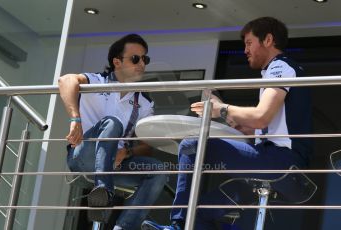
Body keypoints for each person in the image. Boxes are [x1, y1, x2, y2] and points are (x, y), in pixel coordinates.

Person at [141, 17, 312, 230]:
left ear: (268, 40)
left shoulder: (280, 67)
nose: (245, 50)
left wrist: (221, 109)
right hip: (278, 166)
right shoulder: (276, 70)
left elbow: (261, 117)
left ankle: (177, 225)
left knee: (190, 145)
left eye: (249, 43)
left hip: (279, 163)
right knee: (202, 213)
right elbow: (256, 127)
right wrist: (222, 111)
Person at [59, 34, 167, 230]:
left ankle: (124, 227)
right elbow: (65, 80)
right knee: (112, 123)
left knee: (158, 170)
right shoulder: (96, 81)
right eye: (136, 58)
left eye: (145, 59)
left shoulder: (144, 102)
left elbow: (146, 146)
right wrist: (75, 119)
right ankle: (103, 193)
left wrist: (127, 152)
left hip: (117, 164)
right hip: (83, 156)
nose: (142, 63)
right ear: (117, 62)